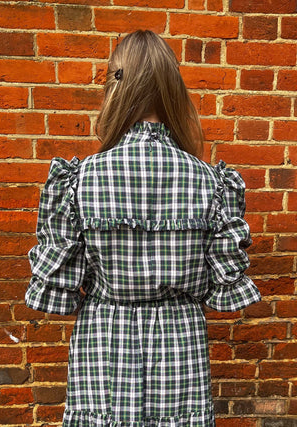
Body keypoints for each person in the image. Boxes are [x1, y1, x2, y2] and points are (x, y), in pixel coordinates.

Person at [25, 30, 261, 427]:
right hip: (180, 344)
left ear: (114, 88)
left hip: (104, 343)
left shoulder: (81, 179)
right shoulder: (210, 182)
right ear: (172, 89)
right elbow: (223, 291)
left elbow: (60, 291)